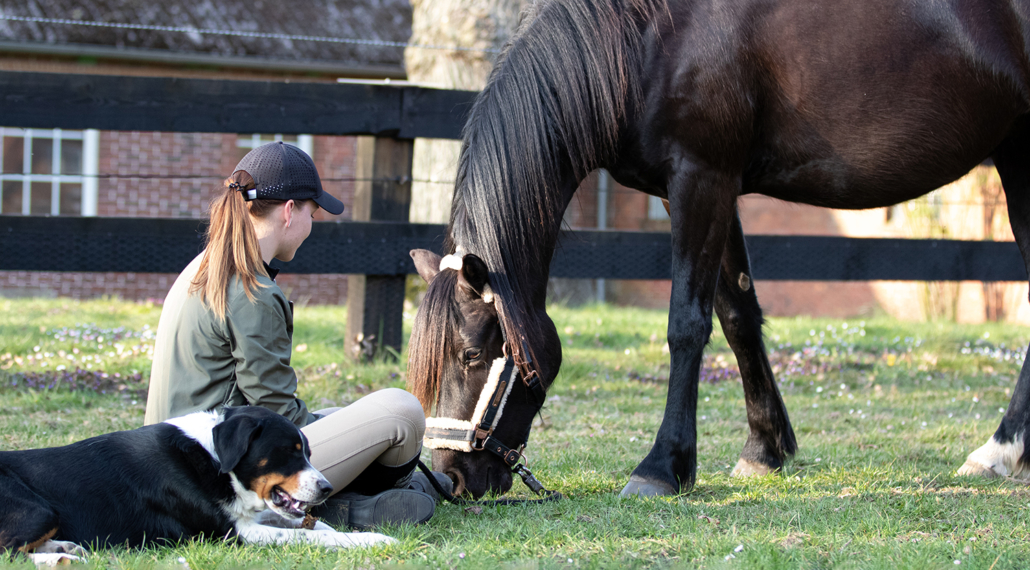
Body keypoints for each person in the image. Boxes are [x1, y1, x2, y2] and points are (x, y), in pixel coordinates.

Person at [144, 142, 450, 530]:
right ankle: (346, 502)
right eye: (313, 211)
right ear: (290, 211)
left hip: (179, 464)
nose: (312, 223)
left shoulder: (207, 265)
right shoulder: (251, 290)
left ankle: (348, 504)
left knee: (348, 416)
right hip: (217, 476)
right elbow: (280, 415)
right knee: (400, 412)